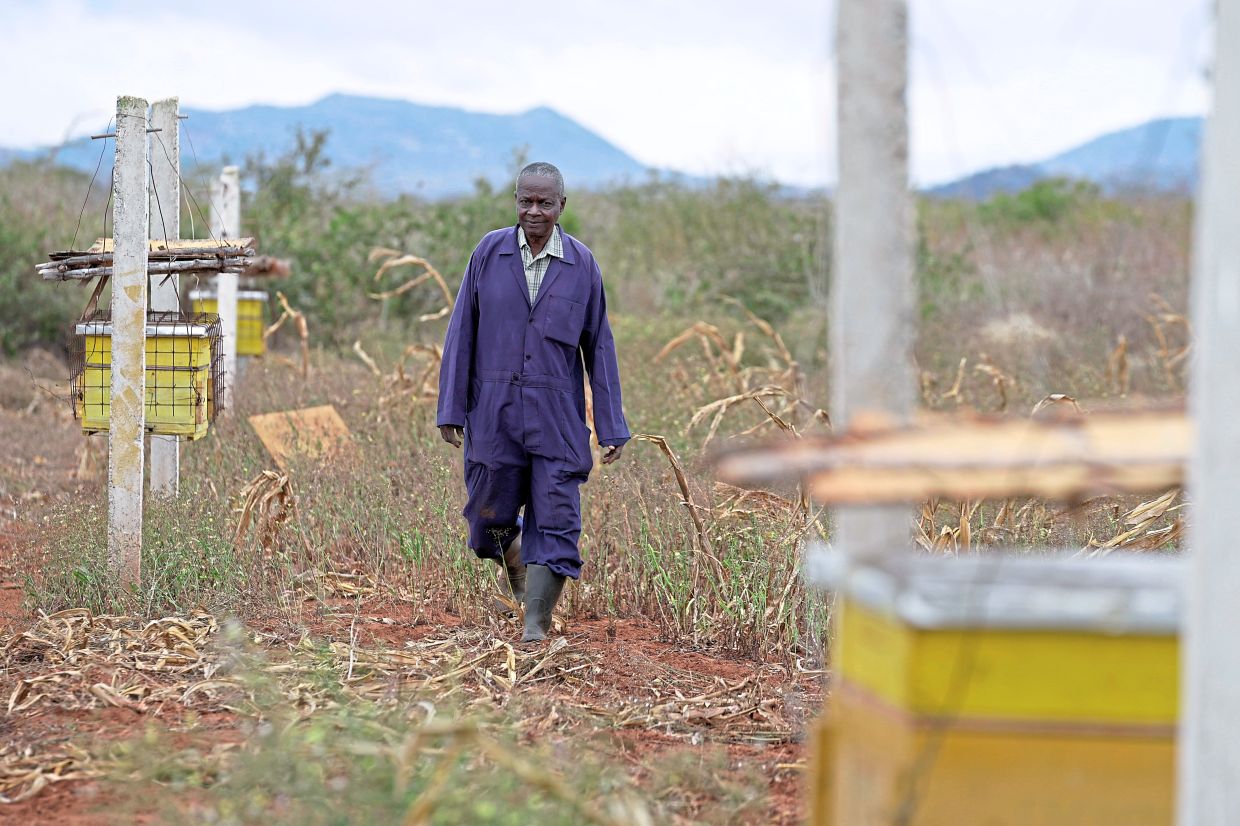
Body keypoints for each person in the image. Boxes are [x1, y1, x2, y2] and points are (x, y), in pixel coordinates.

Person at [437, 161, 630, 643]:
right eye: (526, 201)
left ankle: (535, 628)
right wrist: (451, 407)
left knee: (558, 519)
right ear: (515, 201)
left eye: (545, 202)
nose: (534, 211)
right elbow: (462, 331)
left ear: (562, 206)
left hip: (556, 416)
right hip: (494, 411)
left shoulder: (582, 265)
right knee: (488, 519)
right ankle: (518, 555)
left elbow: (598, 348)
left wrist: (611, 424)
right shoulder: (489, 252)